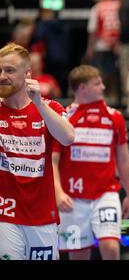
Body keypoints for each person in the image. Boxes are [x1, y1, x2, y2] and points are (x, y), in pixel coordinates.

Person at [0, 42, 74, 260]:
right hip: (6, 213)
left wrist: (39, 105)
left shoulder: (49, 107)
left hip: (42, 214)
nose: (3, 76)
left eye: (10, 70)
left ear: (28, 74)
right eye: (0, 70)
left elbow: (68, 138)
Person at [53, 65, 129, 260]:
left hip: (105, 193)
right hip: (73, 198)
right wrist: (58, 192)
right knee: (79, 254)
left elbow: (123, 158)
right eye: (97, 83)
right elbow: (52, 160)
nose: (103, 87)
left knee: (111, 247)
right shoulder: (64, 119)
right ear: (82, 88)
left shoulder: (114, 117)